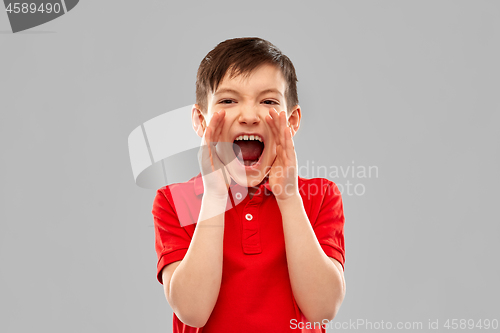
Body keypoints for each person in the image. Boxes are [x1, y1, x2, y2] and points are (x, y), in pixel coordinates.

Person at [152, 37, 346, 333]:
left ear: (291, 122)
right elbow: (192, 311)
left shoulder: (320, 196)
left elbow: (322, 308)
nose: (249, 116)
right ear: (201, 122)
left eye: (268, 101)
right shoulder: (173, 201)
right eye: (228, 100)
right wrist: (215, 196)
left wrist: (289, 197)